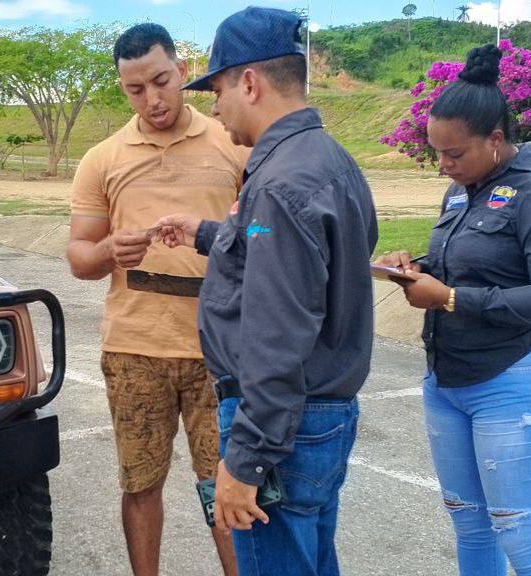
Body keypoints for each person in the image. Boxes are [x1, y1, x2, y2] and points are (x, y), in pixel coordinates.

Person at [154, 7, 378, 575]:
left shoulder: (279, 181)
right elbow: (304, 265)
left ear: (249, 82)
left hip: (284, 427)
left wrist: (247, 460)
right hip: (322, 413)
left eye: (220, 88)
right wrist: (207, 234)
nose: (214, 104)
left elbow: (278, 331)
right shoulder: (330, 161)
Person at [375, 44, 531, 576]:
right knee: (470, 525)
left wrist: (449, 298)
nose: (444, 166)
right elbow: (469, 263)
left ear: (495, 140)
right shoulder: (461, 192)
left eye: (455, 155)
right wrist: (413, 266)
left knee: (523, 539)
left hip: (514, 383)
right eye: (437, 154)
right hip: (448, 383)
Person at [65, 22, 247, 576]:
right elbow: (78, 257)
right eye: (135, 89)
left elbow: (267, 242)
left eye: (162, 81)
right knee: (140, 484)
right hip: (134, 348)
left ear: (183, 70)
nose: (153, 99)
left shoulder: (233, 143)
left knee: (229, 489)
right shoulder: (104, 158)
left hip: (219, 350)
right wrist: (107, 252)